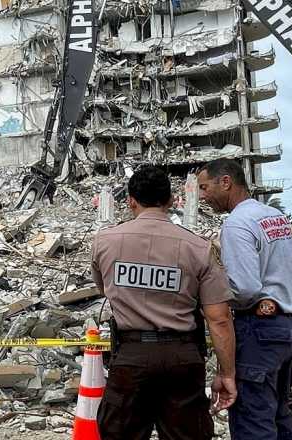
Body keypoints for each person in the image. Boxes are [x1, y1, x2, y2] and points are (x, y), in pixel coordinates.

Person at [92, 165, 237, 440]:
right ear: (171, 201)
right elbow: (219, 318)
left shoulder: (104, 242)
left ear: (131, 201)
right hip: (182, 359)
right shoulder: (199, 247)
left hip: (130, 357)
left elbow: (106, 291)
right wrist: (226, 373)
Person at [197, 159, 292, 440]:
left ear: (226, 182)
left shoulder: (236, 224)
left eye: (204, 187)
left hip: (262, 332)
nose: (202, 196)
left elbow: (245, 288)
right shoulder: (274, 216)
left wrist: (211, 298)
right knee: (278, 413)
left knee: (253, 422)